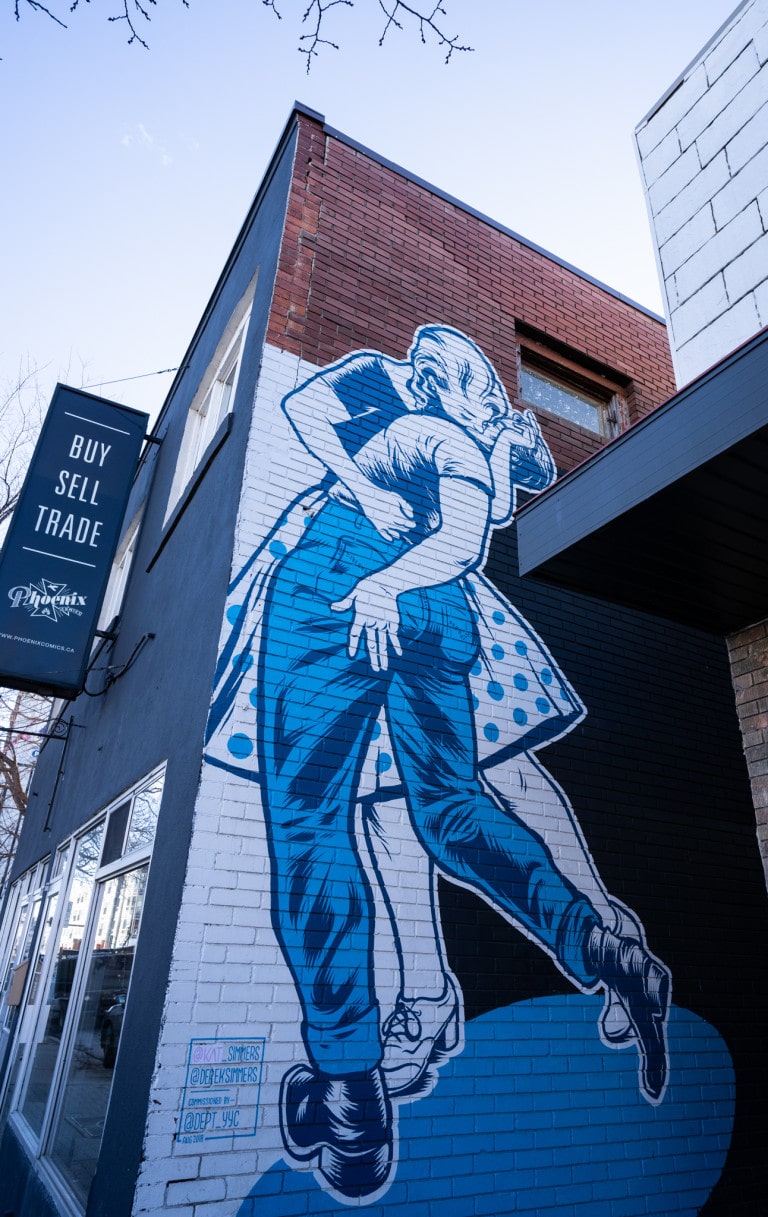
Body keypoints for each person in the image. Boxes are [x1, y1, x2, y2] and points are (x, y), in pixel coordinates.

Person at [246, 327, 671, 1201]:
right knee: (450, 807)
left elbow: (307, 412)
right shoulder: (445, 421)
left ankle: (352, 1092)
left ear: (436, 376)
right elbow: (477, 514)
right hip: (439, 602)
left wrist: (374, 517)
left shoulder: (404, 405)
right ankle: (594, 942)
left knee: (313, 822)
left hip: (349, 581)